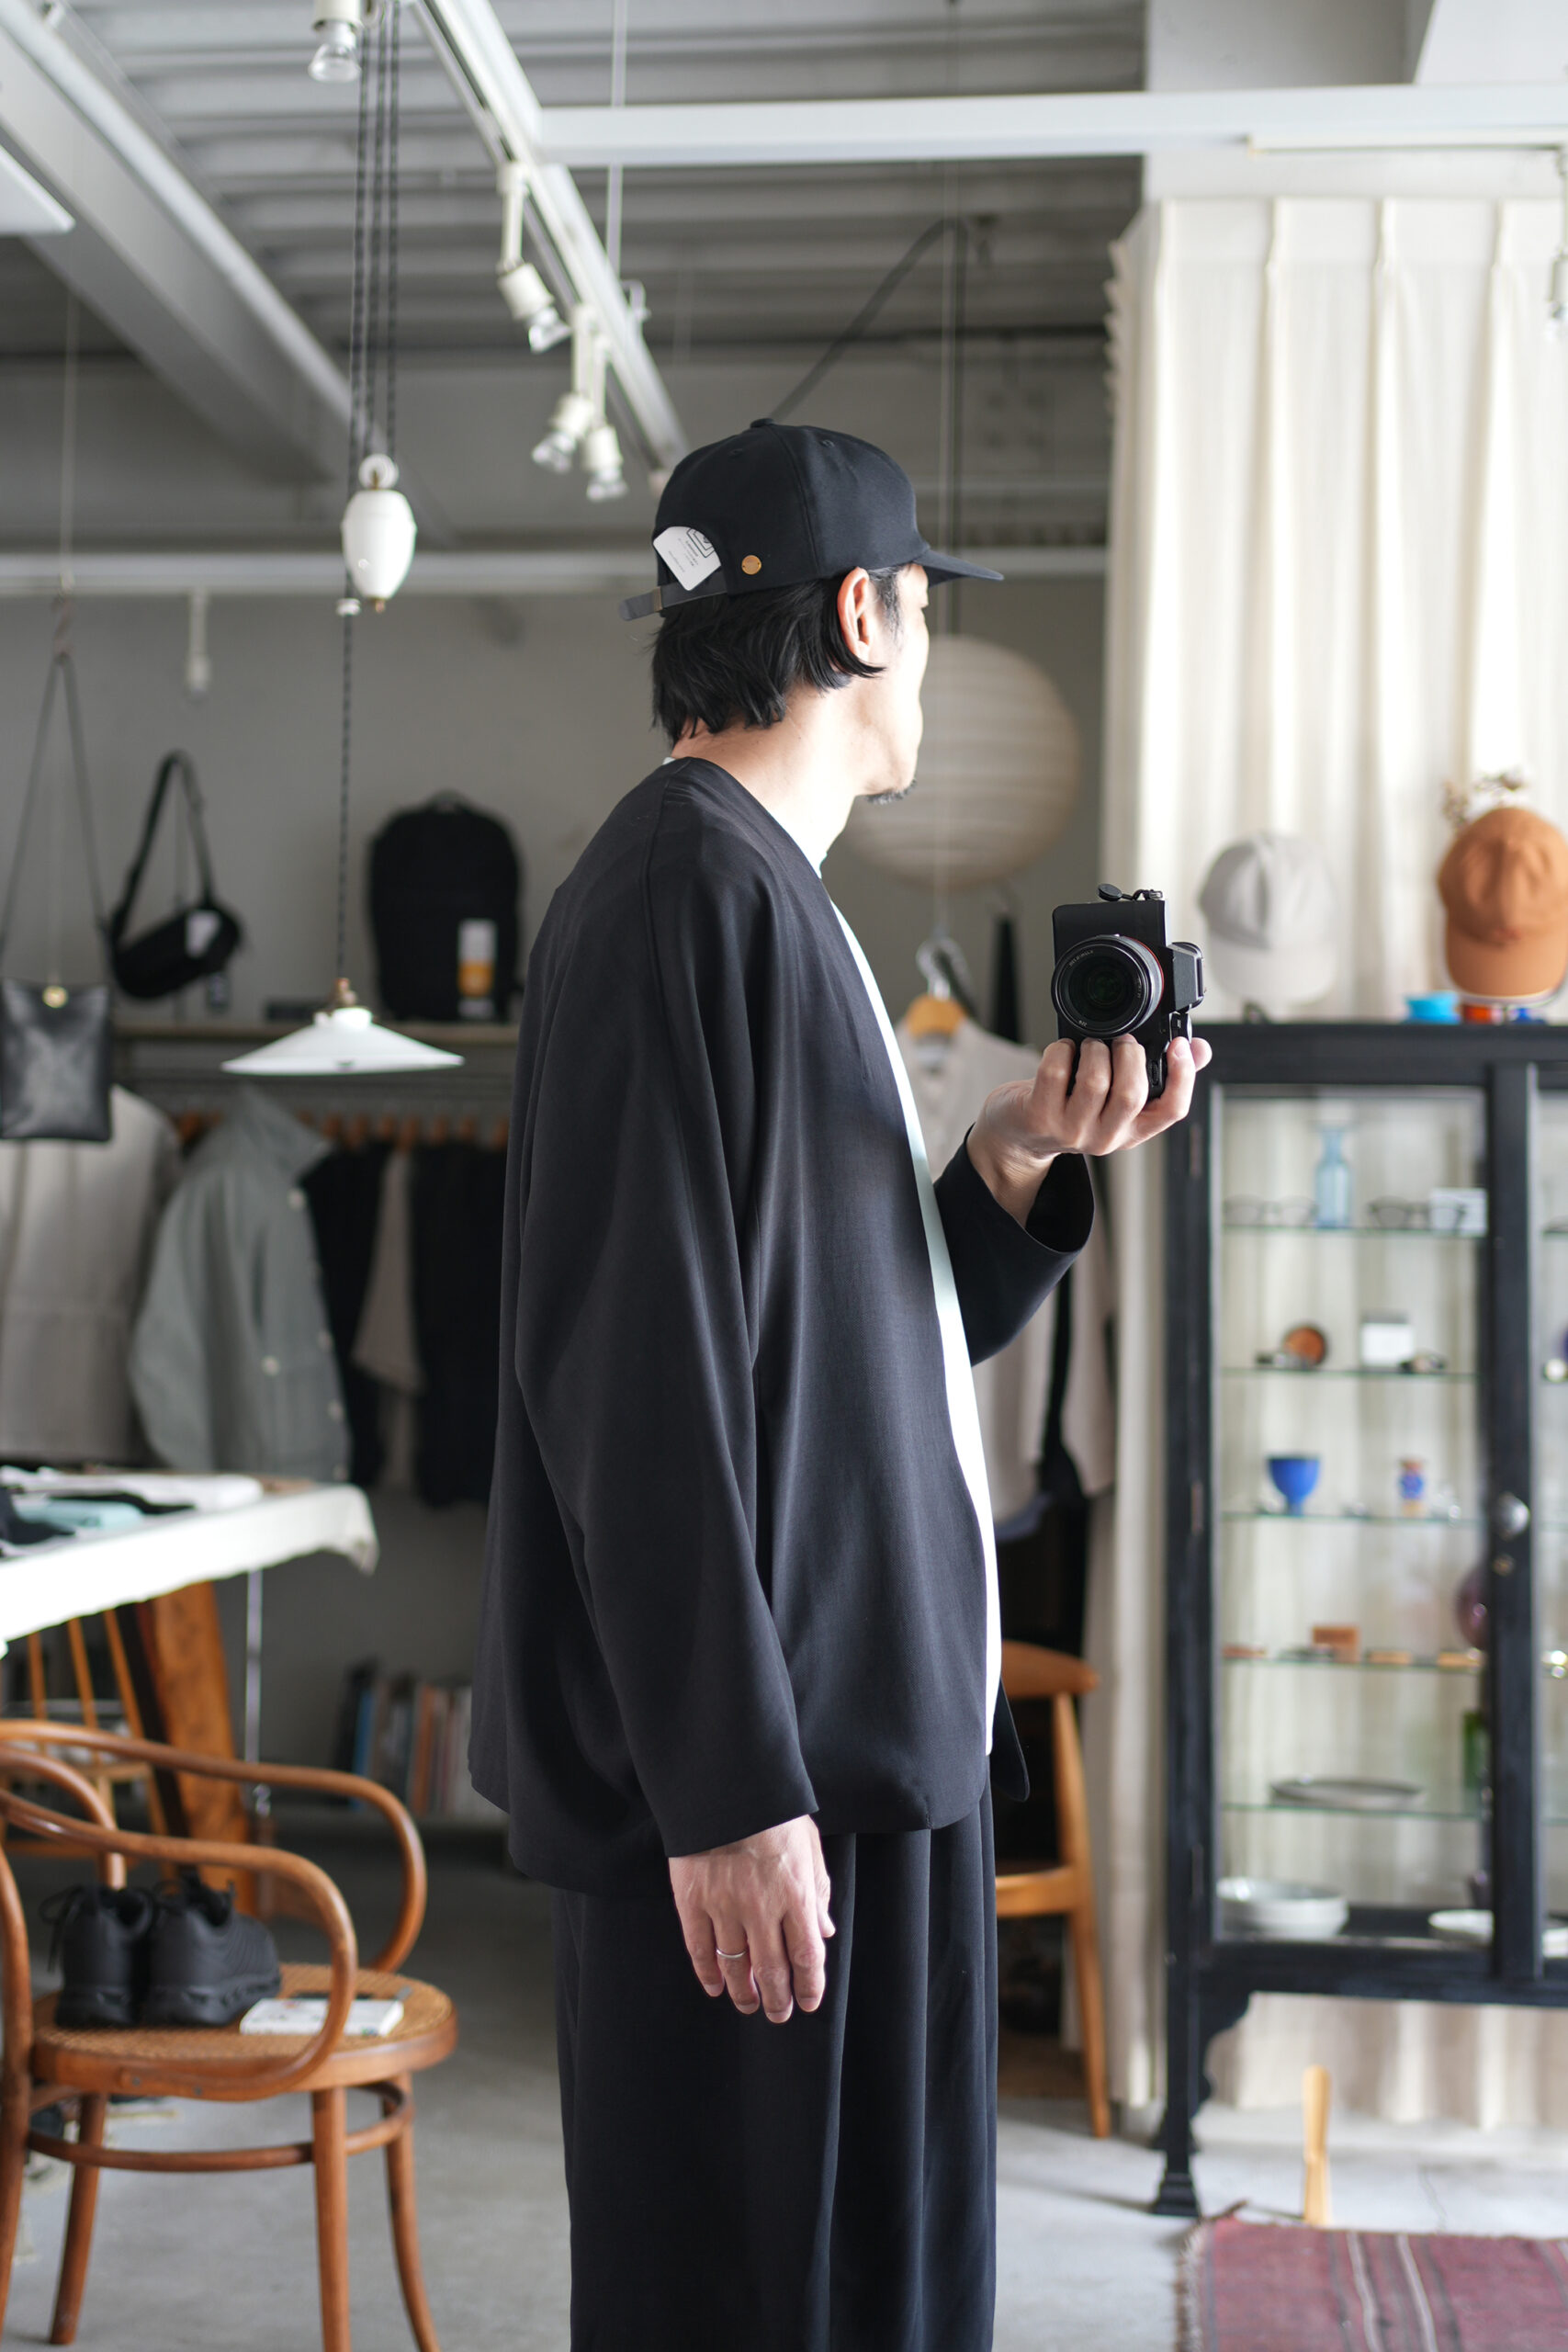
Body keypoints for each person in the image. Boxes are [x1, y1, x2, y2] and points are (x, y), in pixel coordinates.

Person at [469, 418, 1210, 2352]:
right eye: (927, 615)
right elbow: (627, 1382)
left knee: (873, 2299)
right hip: (769, 1798)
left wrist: (1013, 1164)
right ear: (865, 614)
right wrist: (726, 1791)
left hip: (850, 1774)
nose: (931, 657)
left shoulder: (764, 896)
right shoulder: (681, 893)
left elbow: (835, 1347)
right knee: (752, 2304)